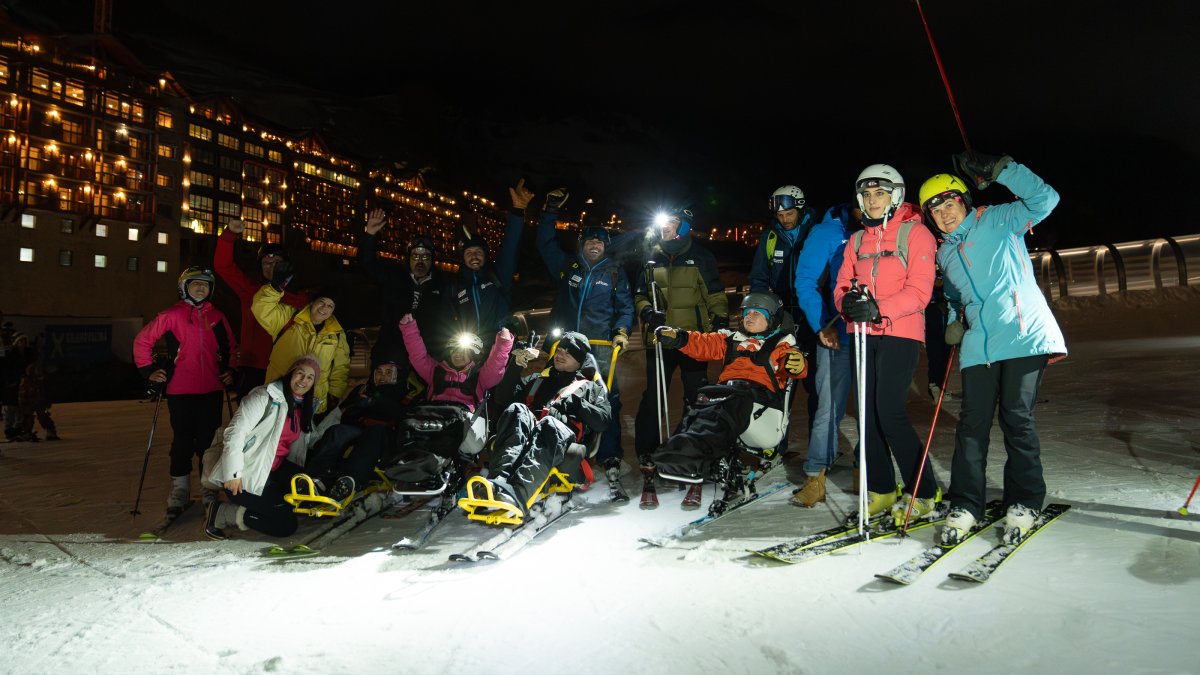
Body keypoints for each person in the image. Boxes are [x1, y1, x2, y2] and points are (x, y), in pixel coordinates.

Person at [919, 153, 1066, 545]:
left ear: (963, 200)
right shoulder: (944, 253)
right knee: (971, 427)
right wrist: (952, 318)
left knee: (1016, 419)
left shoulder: (998, 219)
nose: (944, 213)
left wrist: (1004, 171)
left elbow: (1045, 200)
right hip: (978, 344)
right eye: (934, 209)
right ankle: (966, 504)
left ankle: (1024, 501)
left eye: (949, 202)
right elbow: (953, 293)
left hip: (1022, 333)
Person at [833, 164, 939, 520]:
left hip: (899, 332)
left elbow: (920, 291)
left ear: (895, 195)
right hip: (861, 334)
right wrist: (846, 304)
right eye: (867, 194)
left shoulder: (916, 234)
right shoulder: (856, 240)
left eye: (880, 193)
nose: (873, 201)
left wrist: (877, 308)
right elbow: (843, 284)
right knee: (866, 416)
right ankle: (880, 488)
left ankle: (924, 489)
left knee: (890, 412)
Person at [530, 181, 634, 489]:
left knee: (605, 399)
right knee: (554, 393)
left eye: (600, 241)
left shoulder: (614, 273)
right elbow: (545, 244)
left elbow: (625, 308)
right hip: (565, 346)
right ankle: (552, 443)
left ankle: (610, 454)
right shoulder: (567, 267)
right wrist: (549, 211)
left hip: (599, 349)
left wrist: (622, 332)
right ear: (582, 244)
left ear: (606, 247)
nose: (595, 244)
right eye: (589, 240)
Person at [651, 291, 808, 484]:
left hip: (761, 405)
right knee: (702, 399)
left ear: (772, 318)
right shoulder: (732, 339)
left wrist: (797, 364)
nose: (749, 317)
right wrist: (678, 337)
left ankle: (696, 452)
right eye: (747, 313)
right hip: (729, 393)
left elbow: (794, 363)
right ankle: (678, 448)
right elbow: (704, 343)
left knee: (728, 403)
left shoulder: (781, 344)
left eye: (757, 313)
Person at [464, 332, 611, 520]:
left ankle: (518, 494)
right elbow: (502, 398)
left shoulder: (591, 388)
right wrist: (516, 366)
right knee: (517, 408)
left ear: (579, 361)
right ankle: (498, 482)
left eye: (568, 352)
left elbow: (604, 420)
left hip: (561, 439)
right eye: (559, 350)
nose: (560, 354)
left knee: (550, 423)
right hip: (528, 432)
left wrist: (578, 404)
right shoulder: (538, 380)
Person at [133, 267, 237, 517]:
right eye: (195, 284)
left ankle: (208, 487)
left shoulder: (218, 317)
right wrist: (149, 371)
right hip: (180, 389)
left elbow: (231, 347)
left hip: (211, 388)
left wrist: (230, 369)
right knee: (182, 440)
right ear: (183, 287)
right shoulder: (171, 315)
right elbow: (142, 341)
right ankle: (179, 489)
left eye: (205, 285)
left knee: (208, 442)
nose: (200, 288)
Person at [634, 208, 728, 469]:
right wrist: (646, 311)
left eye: (672, 222)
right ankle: (647, 451)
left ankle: (693, 448)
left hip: (691, 340)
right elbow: (640, 294)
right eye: (663, 222)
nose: (665, 227)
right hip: (660, 339)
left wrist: (719, 321)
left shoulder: (700, 256)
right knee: (654, 396)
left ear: (684, 226)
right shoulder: (652, 256)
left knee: (696, 397)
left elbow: (715, 294)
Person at [202, 354, 323, 539]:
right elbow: (235, 432)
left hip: (274, 469)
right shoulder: (264, 397)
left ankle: (271, 505)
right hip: (246, 475)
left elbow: (308, 439)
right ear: (291, 373)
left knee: (306, 494)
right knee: (285, 525)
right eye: (300, 373)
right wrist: (233, 474)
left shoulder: (301, 407)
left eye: (310, 377)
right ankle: (222, 513)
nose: (303, 380)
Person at [790, 203, 856, 506]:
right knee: (828, 408)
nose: (869, 202)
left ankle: (865, 471)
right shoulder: (828, 232)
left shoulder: (882, 229)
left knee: (876, 409)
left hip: (877, 336)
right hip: (836, 335)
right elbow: (805, 281)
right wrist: (821, 325)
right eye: (863, 196)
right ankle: (815, 475)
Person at [750, 186, 821, 447]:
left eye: (790, 213)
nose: (785, 219)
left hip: (813, 316)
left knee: (815, 385)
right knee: (779, 381)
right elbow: (758, 278)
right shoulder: (770, 238)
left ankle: (819, 447)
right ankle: (776, 444)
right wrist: (761, 309)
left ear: (800, 209)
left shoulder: (815, 233)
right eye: (780, 215)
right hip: (783, 320)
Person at [359, 209, 451, 399]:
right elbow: (367, 264)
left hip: (427, 351)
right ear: (408, 258)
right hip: (391, 346)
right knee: (385, 394)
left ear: (432, 261)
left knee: (423, 395)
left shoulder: (442, 284)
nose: (420, 261)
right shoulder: (395, 277)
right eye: (415, 256)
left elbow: (451, 315)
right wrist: (369, 236)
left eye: (425, 257)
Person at [398, 312, 513, 463]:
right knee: (408, 423)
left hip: (465, 423)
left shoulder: (479, 376)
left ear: (472, 355)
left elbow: (495, 366)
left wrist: (503, 343)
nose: (458, 355)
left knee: (459, 426)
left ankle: (440, 460)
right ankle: (416, 462)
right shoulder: (435, 371)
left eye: (464, 352)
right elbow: (418, 355)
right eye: (455, 351)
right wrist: (409, 329)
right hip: (435, 418)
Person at [213, 219, 308, 400]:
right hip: (253, 369)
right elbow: (223, 267)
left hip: (288, 368)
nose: (271, 267)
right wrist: (229, 235)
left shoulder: (300, 297)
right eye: (265, 263)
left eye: (276, 263)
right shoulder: (251, 289)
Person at [299, 353, 409, 502]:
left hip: (387, 436)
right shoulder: (363, 390)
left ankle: (350, 480)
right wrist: (356, 408)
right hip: (361, 430)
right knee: (337, 431)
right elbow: (346, 418)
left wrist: (375, 402)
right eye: (379, 372)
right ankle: (317, 478)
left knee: (374, 432)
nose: (383, 377)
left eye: (388, 372)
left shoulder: (404, 392)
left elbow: (403, 414)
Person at [252, 269, 349, 415]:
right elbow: (261, 309)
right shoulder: (290, 318)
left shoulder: (337, 334)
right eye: (321, 302)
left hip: (313, 402)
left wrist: (334, 395)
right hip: (279, 395)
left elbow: (340, 368)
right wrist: (274, 288)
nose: (324, 308)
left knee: (303, 437)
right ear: (313, 302)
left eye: (330, 306)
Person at [446, 180, 527, 346]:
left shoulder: (497, 275)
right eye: (469, 253)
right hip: (469, 348)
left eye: (478, 252)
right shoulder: (455, 286)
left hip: (499, 345)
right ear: (463, 258)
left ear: (486, 255)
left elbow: (510, 246)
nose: (474, 256)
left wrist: (517, 211)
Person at [17, 362, 58, 441]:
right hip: (29, 402)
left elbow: (46, 392)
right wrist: (23, 403)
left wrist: (47, 402)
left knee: (43, 416)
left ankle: (50, 431)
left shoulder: (41, 381)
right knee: (27, 417)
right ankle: (26, 432)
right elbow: (22, 394)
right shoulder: (26, 381)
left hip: (39, 402)